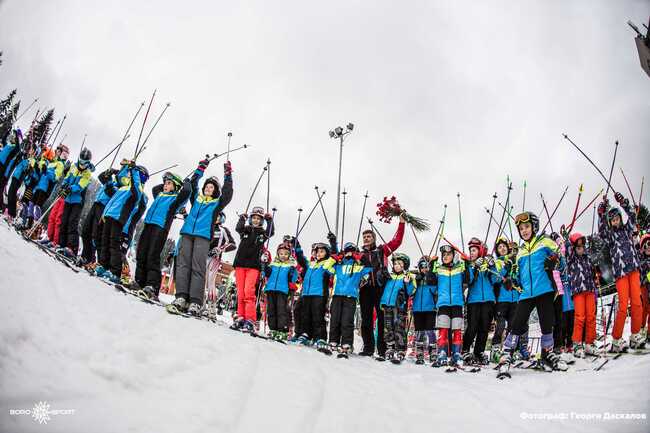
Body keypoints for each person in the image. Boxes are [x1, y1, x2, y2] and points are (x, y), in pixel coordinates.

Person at [497, 212, 567, 373]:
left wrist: (554, 262)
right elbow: (516, 275)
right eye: (521, 228)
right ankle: (506, 353)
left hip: (545, 289)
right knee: (517, 323)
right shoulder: (520, 252)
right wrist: (511, 281)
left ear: (534, 227)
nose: (524, 230)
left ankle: (547, 353)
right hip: (527, 293)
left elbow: (562, 263)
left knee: (546, 323)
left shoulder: (545, 242)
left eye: (527, 226)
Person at [167, 159, 233, 316]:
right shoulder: (196, 198)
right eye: (207, 186)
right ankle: (181, 297)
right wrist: (200, 169)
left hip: (203, 236)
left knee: (198, 267)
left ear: (215, 190)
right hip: (187, 233)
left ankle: (195, 301)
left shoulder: (216, 203)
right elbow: (194, 183)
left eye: (212, 187)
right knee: (183, 265)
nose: (209, 188)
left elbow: (228, 194)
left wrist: (228, 175)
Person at [134, 171, 191, 299]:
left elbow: (186, 192)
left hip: (160, 227)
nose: (165, 185)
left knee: (152, 255)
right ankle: (139, 282)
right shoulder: (160, 194)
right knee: (141, 253)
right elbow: (155, 188)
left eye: (169, 183)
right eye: (165, 183)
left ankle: (152, 287)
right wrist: (168, 182)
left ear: (176, 186)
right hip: (149, 224)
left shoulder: (175, 200)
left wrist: (185, 184)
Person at [598, 192, 643, 351]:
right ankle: (616, 339)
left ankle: (635, 334)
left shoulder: (627, 229)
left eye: (617, 218)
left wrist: (623, 202)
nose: (615, 221)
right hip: (621, 273)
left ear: (620, 219)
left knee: (637, 303)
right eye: (612, 220)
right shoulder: (610, 235)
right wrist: (601, 213)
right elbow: (601, 231)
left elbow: (632, 215)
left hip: (634, 270)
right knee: (623, 305)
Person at [358, 215, 405, 358]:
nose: (366, 238)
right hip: (365, 289)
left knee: (382, 319)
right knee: (366, 320)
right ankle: (368, 348)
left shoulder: (382, 250)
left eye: (369, 236)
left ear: (374, 238)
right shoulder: (359, 255)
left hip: (380, 288)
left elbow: (397, 241)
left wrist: (401, 223)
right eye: (364, 236)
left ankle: (383, 349)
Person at [96, 161, 148, 283]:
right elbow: (112, 198)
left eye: (133, 173)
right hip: (109, 216)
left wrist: (133, 169)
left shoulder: (137, 190)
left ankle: (116, 271)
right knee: (105, 242)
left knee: (114, 245)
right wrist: (109, 177)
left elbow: (136, 192)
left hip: (119, 219)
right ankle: (103, 265)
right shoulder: (124, 187)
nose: (129, 175)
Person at [231, 205, 274, 330]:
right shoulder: (246, 230)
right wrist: (242, 218)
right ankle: (241, 317)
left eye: (258, 219)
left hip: (253, 266)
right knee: (240, 292)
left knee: (248, 292)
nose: (256, 220)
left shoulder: (262, 234)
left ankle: (250, 319)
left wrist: (269, 220)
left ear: (261, 221)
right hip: (240, 264)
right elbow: (238, 228)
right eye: (253, 218)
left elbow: (271, 232)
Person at [327, 240, 372, 357]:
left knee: (347, 321)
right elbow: (326, 267)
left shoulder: (358, 267)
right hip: (337, 295)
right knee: (335, 319)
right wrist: (337, 256)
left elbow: (369, 268)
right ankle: (333, 341)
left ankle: (347, 344)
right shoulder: (338, 265)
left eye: (352, 251)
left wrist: (359, 256)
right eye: (347, 251)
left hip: (350, 296)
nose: (349, 254)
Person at [293, 234, 336, 348]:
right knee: (305, 315)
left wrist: (333, 243)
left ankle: (320, 337)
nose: (319, 253)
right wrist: (297, 246)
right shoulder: (310, 264)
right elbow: (301, 259)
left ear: (327, 253)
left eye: (322, 251)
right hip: (307, 293)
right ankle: (306, 334)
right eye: (317, 251)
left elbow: (335, 257)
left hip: (319, 294)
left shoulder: (327, 265)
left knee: (318, 315)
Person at [561, 229, 598, 357]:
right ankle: (577, 343)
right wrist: (567, 238)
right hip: (578, 291)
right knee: (580, 317)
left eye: (582, 246)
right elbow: (568, 248)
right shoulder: (571, 259)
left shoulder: (587, 259)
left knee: (591, 316)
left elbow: (593, 273)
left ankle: (589, 343)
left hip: (590, 290)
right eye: (578, 246)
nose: (580, 249)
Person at [462, 237, 499, 365]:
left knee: (484, 328)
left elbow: (496, 280)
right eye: (470, 250)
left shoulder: (487, 264)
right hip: (474, 300)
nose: (471, 253)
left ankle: (479, 352)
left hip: (488, 300)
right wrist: (474, 267)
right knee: (472, 327)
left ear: (480, 250)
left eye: (474, 250)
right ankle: (465, 349)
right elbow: (468, 280)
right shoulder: (469, 264)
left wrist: (492, 266)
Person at [433, 244, 469, 367]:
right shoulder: (438, 269)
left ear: (453, 256)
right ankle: (442, 352)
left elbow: (468, 280)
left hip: (457, 303)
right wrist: (431, 264)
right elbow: (430, 281)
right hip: (443, 303)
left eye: (448, 254)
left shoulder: (459, 268)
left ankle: (456, 353)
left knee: (457, 330)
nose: (445, 256)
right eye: (443, 255)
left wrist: (467, 263)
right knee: (443, 330)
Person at [56, 148, 94, 257]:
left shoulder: (87, 174)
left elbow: (80, 186)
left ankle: (72, 248)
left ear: (88, 163)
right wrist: (63, 186)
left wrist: (70, 188)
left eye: (85, 163)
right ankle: (61, 244)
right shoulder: (73, 167)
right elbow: (67, 178)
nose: (82, 165)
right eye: (81, 162)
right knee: (64, 221)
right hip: (68, 199)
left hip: (78, 201)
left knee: (72, 222)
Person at [79, 167, 119, 267]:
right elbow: (101, 176)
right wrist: (109, 171)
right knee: (85, 231)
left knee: (94, 234)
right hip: (96, 204)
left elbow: (110, 192)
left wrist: (111, 178)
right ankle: (85, 256)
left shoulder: (120, 187)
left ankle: (91, 258)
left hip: (103, 208)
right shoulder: (112, 182)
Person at [380, 252, 416, 363]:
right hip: (387, 305)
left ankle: (400, 349)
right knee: (388, 327)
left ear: (404, 265)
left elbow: (411, 291)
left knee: (399, 327)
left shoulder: (407, 277)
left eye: (399, 263)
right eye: (395, 263)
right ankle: (390, 347)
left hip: (399, 306)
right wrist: (381, 275)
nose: (396, 265)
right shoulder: (389, 277)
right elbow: (382, 287)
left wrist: (407, 283)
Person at [490, 237, 520, 363]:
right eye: (499, 247)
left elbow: (519, 278)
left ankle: (511, 350)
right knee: (500, 326)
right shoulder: (497, 262)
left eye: (504, 246)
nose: (502, 249)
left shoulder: (514, 260)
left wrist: (514, 279)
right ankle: (495, 350)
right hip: (501, 299)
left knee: (513, 326)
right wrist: (505, 268)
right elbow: (494, 279)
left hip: (514, 298)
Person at [262, 242, 299, 341]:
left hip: (282, 290)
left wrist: (293, 270)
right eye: (281, 253)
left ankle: (282, 329)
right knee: (271, 310)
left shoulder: (289, 265)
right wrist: (264, 265)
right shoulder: (273, 264)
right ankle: (273, 328)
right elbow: (267, 274)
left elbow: (294, 278)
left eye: (286, 254)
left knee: (281, 310)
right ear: (278, 254)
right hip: (270, 289)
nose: (283, 256)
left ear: (289, 255)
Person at [413, 256, 438, 365]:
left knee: (430, 330)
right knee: (419, 330)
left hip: (430, 308)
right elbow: (410, 292)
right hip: (417, 309)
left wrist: (431, 278)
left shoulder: (432, 278)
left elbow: (436, 291)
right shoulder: (416, 279)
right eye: (422, 267)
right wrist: (415, 282)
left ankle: (432, 350)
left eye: (426, 267)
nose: (424, 269)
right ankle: (419, 351)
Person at [638, 233, 650, 344]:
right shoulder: (642, 259)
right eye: (646, 245)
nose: (648, 248)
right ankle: (641, 327)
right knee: (646, 307)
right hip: (644, 285)